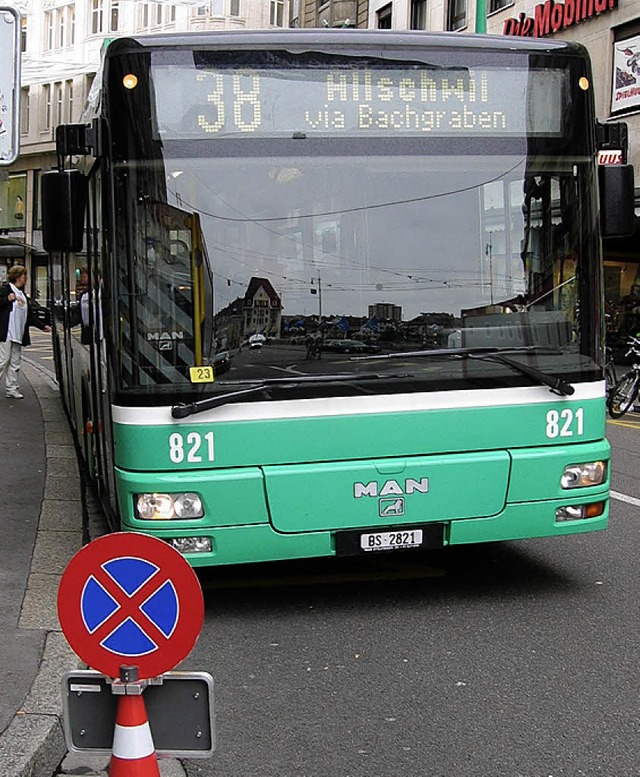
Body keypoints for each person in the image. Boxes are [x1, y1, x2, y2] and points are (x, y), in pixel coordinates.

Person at [0, 265, 51, 399]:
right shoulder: (6, 290)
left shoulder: (22, 294)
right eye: (24, 276)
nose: (26, 279)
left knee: (15, 361)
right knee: (3, 360)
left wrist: (42, 326)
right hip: (6, 332)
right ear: (17, 277)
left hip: (18, 333)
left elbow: (29, 316)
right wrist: (7, 299)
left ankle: (12, 388)